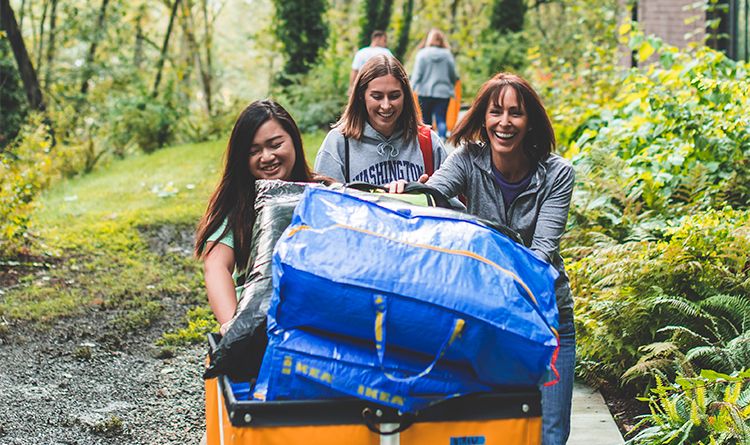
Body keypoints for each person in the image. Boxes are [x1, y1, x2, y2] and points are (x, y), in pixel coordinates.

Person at [388, 72, 576, 445]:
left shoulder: (558, 175)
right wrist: (404, 193)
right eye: (495, 112)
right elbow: (433, 195)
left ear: (530, 121)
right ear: (483, 118)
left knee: (550, 435)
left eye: (515, 113)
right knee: (494, 429)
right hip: (489, 318)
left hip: (546, 317)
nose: (504, 122)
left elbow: (539, 257)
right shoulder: (468, 160)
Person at [194, 100, 330, 336]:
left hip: (317, 314)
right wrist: (232, 325)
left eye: (275, 145)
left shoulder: (325, 191)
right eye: (254, 151)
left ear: (294, 141)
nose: (266, 157)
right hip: (258, 321)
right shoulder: (235, 205)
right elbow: (216, 266)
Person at [315, 54, 449, 187]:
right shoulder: (338, 144)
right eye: (377, 96)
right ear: (362, 96)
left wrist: (425, 194)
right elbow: (324, 203)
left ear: (405, 96)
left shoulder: (428, 143)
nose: (386, 105)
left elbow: (452, 205)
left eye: (394, 96)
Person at [411, 28, 459, 140]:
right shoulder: (447, 55)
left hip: (424, 92)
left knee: (426, 121)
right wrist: (451, 87)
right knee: (441, 119)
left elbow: (417, 75)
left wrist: (410, 90)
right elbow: (453, 74)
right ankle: (442, 139)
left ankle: (428, 141)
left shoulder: (422, 54)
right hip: (443, 93)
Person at [350, 30, 393, 95]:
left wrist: (351, 87)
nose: (386, 44)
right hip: (382, 87)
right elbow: (394, 70)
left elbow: (355, 71)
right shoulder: (386, 52)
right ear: (377, 39)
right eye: (384, 40)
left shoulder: (361, 52)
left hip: (362, 87)